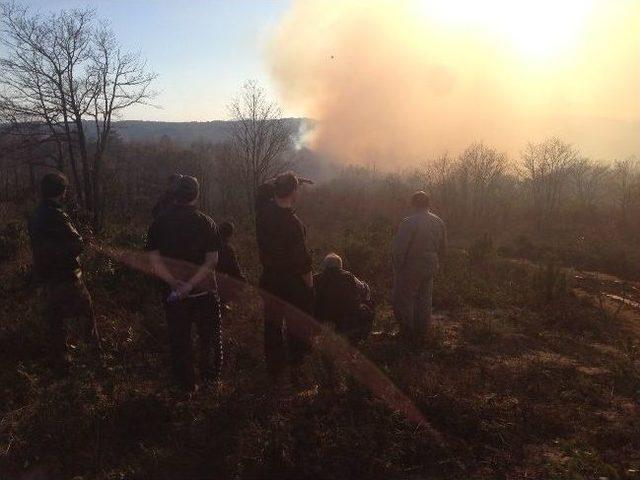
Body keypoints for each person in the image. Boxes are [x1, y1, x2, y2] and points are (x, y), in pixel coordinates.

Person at [146, 175, 223, 392]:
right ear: (196, 195)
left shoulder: (158, 223)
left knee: (180, 341)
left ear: (175, 195)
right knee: (208, 339)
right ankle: (211, 383)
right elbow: (212, 261)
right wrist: (191, 285)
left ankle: (185, 387)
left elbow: (154, 260)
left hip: (173, 296)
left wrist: (173, 283)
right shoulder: (207, 222)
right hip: (204, 293)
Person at [28, 172, 100, 370]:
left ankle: (61, 363)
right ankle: (95, 360)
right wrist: (84, 241)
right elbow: (75, 244)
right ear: (62, 192)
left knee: (55, 322)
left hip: (46, 277)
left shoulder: (35, 215)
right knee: (86, 315)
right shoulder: (57, 215)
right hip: (67, 277)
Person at [256, 171, 314, 383]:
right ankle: (296, 369)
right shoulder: (294, 225)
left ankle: (274, 369)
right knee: (296, 326)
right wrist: (309, 287)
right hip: (292, 283)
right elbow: (303, 262)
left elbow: (262, 190)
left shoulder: (263, 212)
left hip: (269, 278)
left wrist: (283, 181)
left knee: (272, 325)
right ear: (294, 192)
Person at [392, 191, 447, 344]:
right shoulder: (439, 221)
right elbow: (443, 248)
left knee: (405, 300)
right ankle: (422, 333)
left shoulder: (409, 222)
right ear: (428, 203)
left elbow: (400, 248)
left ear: (413, 203)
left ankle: (406, 333)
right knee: (424, 300)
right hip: (430, 266)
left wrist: (397, 267)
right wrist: (438, 265)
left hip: (411, 266)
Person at [314, 253, 373, 344]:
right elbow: (364, 289)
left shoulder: (316, 278)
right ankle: (361, 337)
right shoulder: (348, 276)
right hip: (346, 315)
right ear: (340, 266)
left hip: (323, 315)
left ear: (324, 266)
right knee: (368, 310)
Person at [216, 221, 246, 307]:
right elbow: (235, 270)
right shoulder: (228, 249)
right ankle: (222, 303)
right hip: (216, 284)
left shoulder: (206, 243)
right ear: (229, 235)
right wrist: (242, 281)